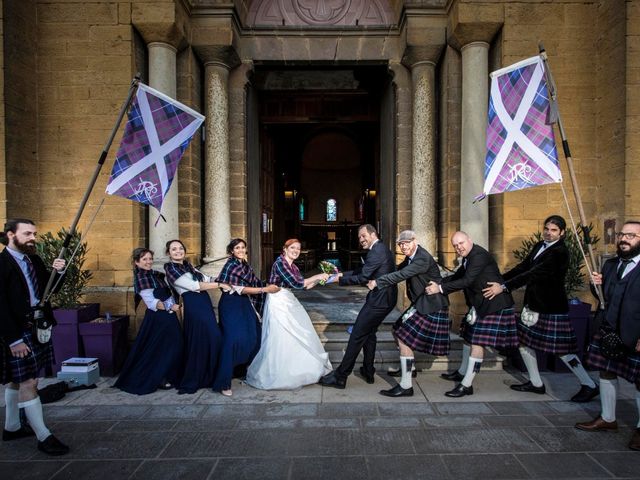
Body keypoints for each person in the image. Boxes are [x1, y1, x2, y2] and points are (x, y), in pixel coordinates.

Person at [482, 215, 598, 402]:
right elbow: (523, 267)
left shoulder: (560, 252)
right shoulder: (539, 246)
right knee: (523, 342)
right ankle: (536, 383)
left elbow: (533, 274)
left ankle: (589, 385)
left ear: (562, 233)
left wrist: (503, 288)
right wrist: (500, 279)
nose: (548, 233)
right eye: (547, 228)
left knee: (563, 350)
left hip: (551, 307)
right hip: (533, 304)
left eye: (553, 230)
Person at [0, 219, 69, 455]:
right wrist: (13, 340)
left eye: (34, 234)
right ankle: (43, 436)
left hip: (37, 326)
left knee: (18, 380)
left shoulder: (34, 259)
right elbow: (0, 306)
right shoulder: (2, 264)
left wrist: (58, 272)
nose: (33, 238)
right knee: (29, 381)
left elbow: (50, 290)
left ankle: (12, 427)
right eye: (27, 233)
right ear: (10, 234)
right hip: (17, 331)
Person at [426, 231, 518, 397]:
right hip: (481, 304)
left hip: (495, 305)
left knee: (476, 343)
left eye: (461, 243)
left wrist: (439, 289)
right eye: (455, 245)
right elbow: (459, 275)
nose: (459, 247)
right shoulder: (469, 257)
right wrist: (439, 282)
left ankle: (466, 384)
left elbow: (466, 281)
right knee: (469, 338)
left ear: (470, 240)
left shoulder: (478, 255)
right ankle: (462, 372)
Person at [575, 221, 640, 451]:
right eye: (622, 234)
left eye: (631, 236)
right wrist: (596, 285)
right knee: (606, 371)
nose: (624, 239)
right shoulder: (611, 265)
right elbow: (604, 297)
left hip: (636, 334)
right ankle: (608, 418)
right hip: (609, 329)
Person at [368, 230, 449, 397]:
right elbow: (399, 268)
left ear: (414, 241)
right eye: (401, 244)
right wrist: (376, 274)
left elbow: (402, 274)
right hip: (421, 302)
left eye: (406, 243)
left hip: (432, 305)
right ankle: (409, 368)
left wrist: (378, 282)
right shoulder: (412, 256)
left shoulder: (421, 258)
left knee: (404, 338)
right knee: (396, 329)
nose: (403, 246)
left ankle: (406, 386)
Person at [247, 238, 332, 390]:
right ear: (285, 249)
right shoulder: (280, 263)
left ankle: (301, 369)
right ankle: (280, 374)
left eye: (298, 249)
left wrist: (323, 279)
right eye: (292, 248)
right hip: (278, 301)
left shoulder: (293, 266)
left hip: (288, 298)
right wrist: (317, 276)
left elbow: (304, 287)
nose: (296, 251)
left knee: (299, 331)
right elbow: (297, 283)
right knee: (282, 335)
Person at [320, 224, 397, 389]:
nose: (361, 239)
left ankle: (341, 376)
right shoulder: (379, 249)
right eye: (359, 237)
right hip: (384, 299)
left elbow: (362, 277)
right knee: (369, 334)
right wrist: (338, 275)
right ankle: (368, 370)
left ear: (373, 233)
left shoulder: (377, 250)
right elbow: (360, 270)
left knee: (357, 334)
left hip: (379, 301)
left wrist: (336, 279)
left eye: (363, 236)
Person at [213, 238, 279, 396]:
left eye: (243, 247)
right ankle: (223, 383)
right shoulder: (231, 265)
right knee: (232, 340)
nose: (241, 250)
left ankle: (241, 370)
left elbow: (255, 282)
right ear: (231, 251)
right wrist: (265, 290)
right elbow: (241, 289)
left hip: (244, 303)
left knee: (254, 336)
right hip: (231, 304)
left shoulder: (244, 265)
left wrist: (273, 284)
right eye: (237, 248)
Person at [115, 248, 183, 395]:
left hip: (168, 316)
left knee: (172, 345)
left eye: (150, 258)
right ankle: (159, 377)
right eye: (144, 259)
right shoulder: (141, 278)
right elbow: (152, 303)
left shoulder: (156, 275)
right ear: (136, 262)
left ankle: (169, 374)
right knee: (164, 347)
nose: (148, 262)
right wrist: (172, 306)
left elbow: (166, 294)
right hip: (158, 318)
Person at [164, 239, 223, 394]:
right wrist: (220, 285)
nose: (178, 251)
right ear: (168, 253)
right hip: (193, 305)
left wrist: (222, 278)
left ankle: (210, 376)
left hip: (203, 303)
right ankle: (198, 377)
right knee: (207, 337)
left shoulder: (188, 266)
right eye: (174, 249)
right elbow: (194, 286)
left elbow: (206, 279)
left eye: (180, 248)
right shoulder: (170, 268)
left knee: (211, 337)